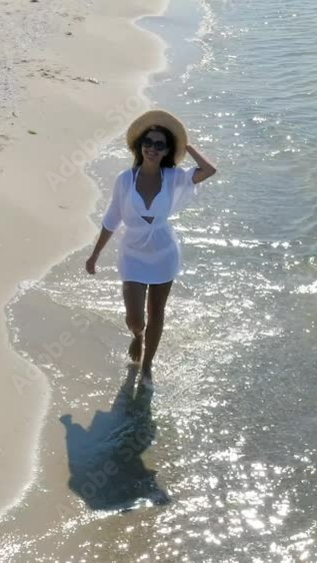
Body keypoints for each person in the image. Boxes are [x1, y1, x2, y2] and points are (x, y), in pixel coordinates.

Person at [85, 110, 217, 385]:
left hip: (164, 254)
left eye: (160, 144)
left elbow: (209, 170)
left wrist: (186, 144)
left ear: (167, 150)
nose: (153, 148)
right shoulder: (125, 179)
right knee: (135, 317)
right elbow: (111, 219)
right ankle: (138, 336)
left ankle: (147, 366)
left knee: (157, 312)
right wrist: (95, 255)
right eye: (148, 142)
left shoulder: (173, 177)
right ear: (139, 146)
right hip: (132, 254)